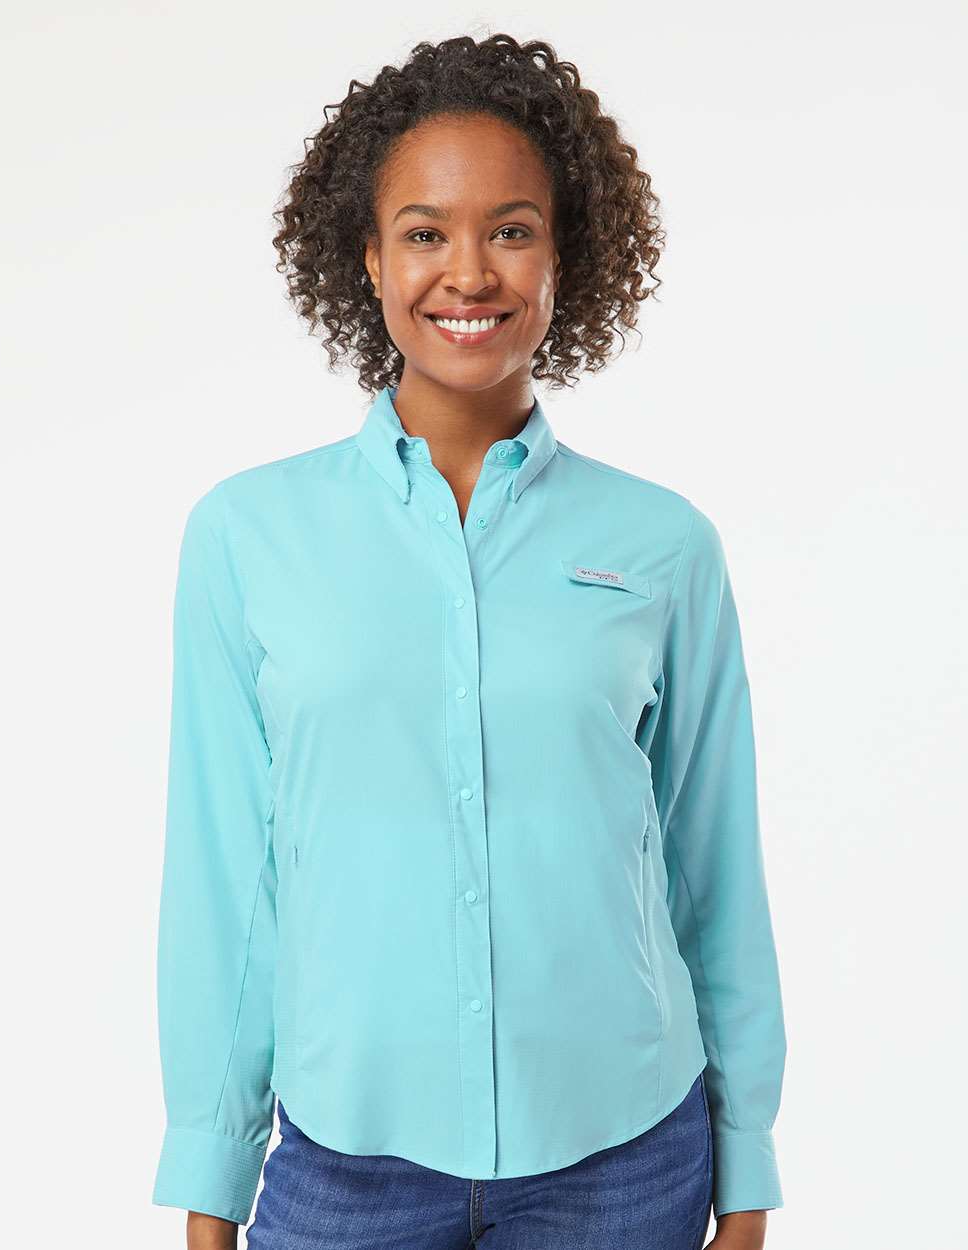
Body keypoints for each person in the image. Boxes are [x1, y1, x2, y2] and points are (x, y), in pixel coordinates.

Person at [151, 32, 787, 1250]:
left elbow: (713, 868)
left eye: (510, 229)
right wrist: (211, 1169)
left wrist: (747, 1159)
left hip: (623, 1161)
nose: (468, 272)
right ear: (369, 256)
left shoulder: (663, 544)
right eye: (424, 231)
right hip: (347, 1161)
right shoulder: (245, 535)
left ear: (563, 254)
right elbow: (228, 877)